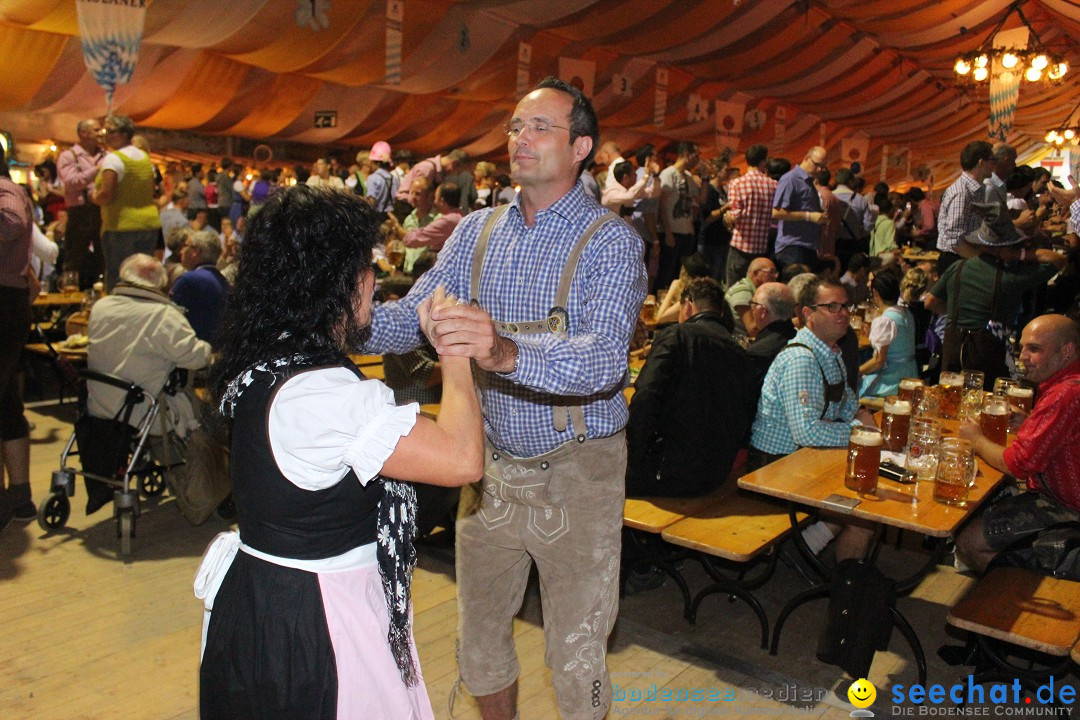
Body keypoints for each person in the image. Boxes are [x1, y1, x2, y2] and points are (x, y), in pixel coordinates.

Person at [363, 76, 645, 720]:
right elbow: (414, 316)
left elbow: (603, 360)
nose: (521, 138)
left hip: (579, 470)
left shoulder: (611, 242)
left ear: (581, 148)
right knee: (479, 637)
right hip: (489, 469)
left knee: (575, 653)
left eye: (540, 127)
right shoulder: (476, 231)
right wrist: (339, 324)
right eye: (516, 127)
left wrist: (504, 351)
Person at [198, 185, 484, 719]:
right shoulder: (323, 393)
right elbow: (462, 459)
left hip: (263, 596)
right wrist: (456, 354)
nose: (374, 281)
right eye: (367, 268)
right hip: (315, 614)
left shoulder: (268, 355)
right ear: (344, 283)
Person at [749, 277, 876, 561]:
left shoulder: (832, 353)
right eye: (832, 306)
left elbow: (847, 407)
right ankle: (818, 562)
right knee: (861, 512)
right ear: (808, 314)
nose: (844, 313)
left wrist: (859, 418)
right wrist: (861, 432)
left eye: (845, 306)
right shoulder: (802, 360)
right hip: (775, 467)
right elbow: (807, 433)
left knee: (866, 493)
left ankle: (806, 546)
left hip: (802, 459)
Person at [955, 314, 1080, 576]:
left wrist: (975, 439)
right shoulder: (1068, 383)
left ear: (1067, 351)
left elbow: (1018, 465)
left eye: (1034, 349)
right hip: (1061, 498)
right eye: (1021, 347)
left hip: (1067, 509)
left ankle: (1011, 601)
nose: (1022, 356)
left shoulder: (1065, 393)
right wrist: (1027, 423)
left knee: (969, 541)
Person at [86, 254, 211, 514]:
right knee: (199, 408)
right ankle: (202, 483)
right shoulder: (163, 315)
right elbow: (196, 356)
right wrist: (211, 350)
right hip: (141, 411)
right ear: (161, 284)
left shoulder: (101, 307)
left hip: (98, 405)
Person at [626, 278, 753, 497]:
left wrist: (633, 455)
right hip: (715, 474)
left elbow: (645, 397)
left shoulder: (677, 336)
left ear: (688, 305)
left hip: (667, 471)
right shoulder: (740, 352)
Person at [924, 228, 1066, 388]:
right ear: (1005, 248)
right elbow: (1058, 260)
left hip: (952, 350)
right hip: (988, 355)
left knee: (951, 402)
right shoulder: (1010, 277)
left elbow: (930, 302)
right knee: (986, 402)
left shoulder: (957, 268)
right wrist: (1018, 255)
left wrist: (953, 312)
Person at [1, 146, 40, 527]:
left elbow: (10, 221)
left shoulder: (5, 191)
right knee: (7, 404)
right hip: (9, 302)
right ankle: (20, 496)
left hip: (4, 303)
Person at [92, 115, 162, 290]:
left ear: (123, 134)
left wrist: (94, 196)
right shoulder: (145, 159)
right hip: (148, 224)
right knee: (142, 276)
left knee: (119, 275)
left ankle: (119, 313)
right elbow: (151, 190)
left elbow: (106, 194)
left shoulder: (114, 159)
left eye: (111, 131)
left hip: (121, 226)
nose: (106, 135)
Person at [57, 118, 105, 287]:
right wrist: (96, 170)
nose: (101, 133)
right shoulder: (68, 156)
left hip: (102, 211)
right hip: (79, 213)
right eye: (97, 130)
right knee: (74, 259)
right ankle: (69, 302)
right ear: (83, 133)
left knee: (103, 257)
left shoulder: (106, 155)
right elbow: (72, 181)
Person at [858, 267, 917, 398]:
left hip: (892, 381)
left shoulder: (885, 320)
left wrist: (857, 372)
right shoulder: (906, 313)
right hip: (910, 374)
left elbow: (878, 361)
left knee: (851, 389)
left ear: (876, 293)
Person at [724, 144, 777, 287]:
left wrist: (727, 216)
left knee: (734, 291)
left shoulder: (737, 183)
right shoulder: (773, 185)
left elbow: (735, 215)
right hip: (761, 248)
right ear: (763, 161)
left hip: (740, 247)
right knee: (757, 291)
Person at [170, 230, 230, 346]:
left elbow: (170, 320)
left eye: (185, 246)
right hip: (218, 349)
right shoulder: (224, 281)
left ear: (195, 251)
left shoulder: (188, 280)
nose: (181, 251)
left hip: (191, 351)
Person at [772, 146, 828, 268]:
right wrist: (808, 216)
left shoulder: (809, 182)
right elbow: (777, 212)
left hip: (808, 246)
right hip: (793, 247)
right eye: (817, 165)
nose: (819, 170)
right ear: (806, 158)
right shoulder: (790, 179)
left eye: (823, 167)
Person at [745, 281, 797, 382]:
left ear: (763, 311)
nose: (752, 310)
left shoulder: (757, 354)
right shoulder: (800, 338)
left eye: (753, 305)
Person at [725, 256, 778, 339]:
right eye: (771, 272)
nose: (775, 276)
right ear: (756, 273)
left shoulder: (754, 290)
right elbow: (753, 329)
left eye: (775, 273)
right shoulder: (743, 290)